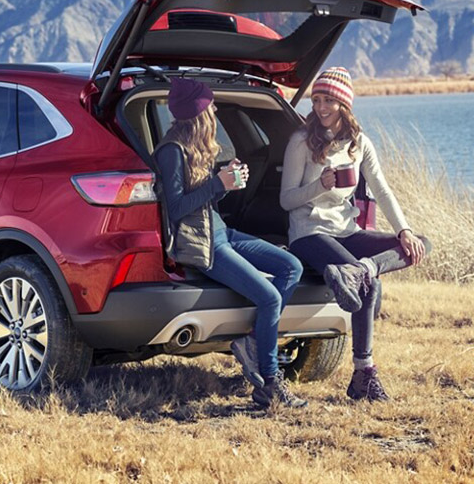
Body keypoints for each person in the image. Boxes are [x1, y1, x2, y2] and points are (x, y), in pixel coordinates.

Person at [154, 78, 307, 409]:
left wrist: (227, 183)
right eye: (211, 104)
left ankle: (252, 341)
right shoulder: (171, 151)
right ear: (199, 111)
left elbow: (206, 201)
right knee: (267, 298)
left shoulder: (197, 148)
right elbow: (176, 209)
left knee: (290, 266)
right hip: (205, 245)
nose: (216, 108)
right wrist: (217, 183)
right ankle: (269, 383)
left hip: (223, 232)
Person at [281, 67, 430, 402]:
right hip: (308, 233)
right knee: (369, 285)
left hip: (346, 231)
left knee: (421, 242)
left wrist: (403, 230)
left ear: (344, 105)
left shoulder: (359, 143)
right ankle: (364, 375)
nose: (321, 107)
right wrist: (320, 185)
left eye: (329, 101)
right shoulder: (301, 142)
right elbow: (286, 199)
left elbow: (383, 189)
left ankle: (362, 268)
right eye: (317, 99)